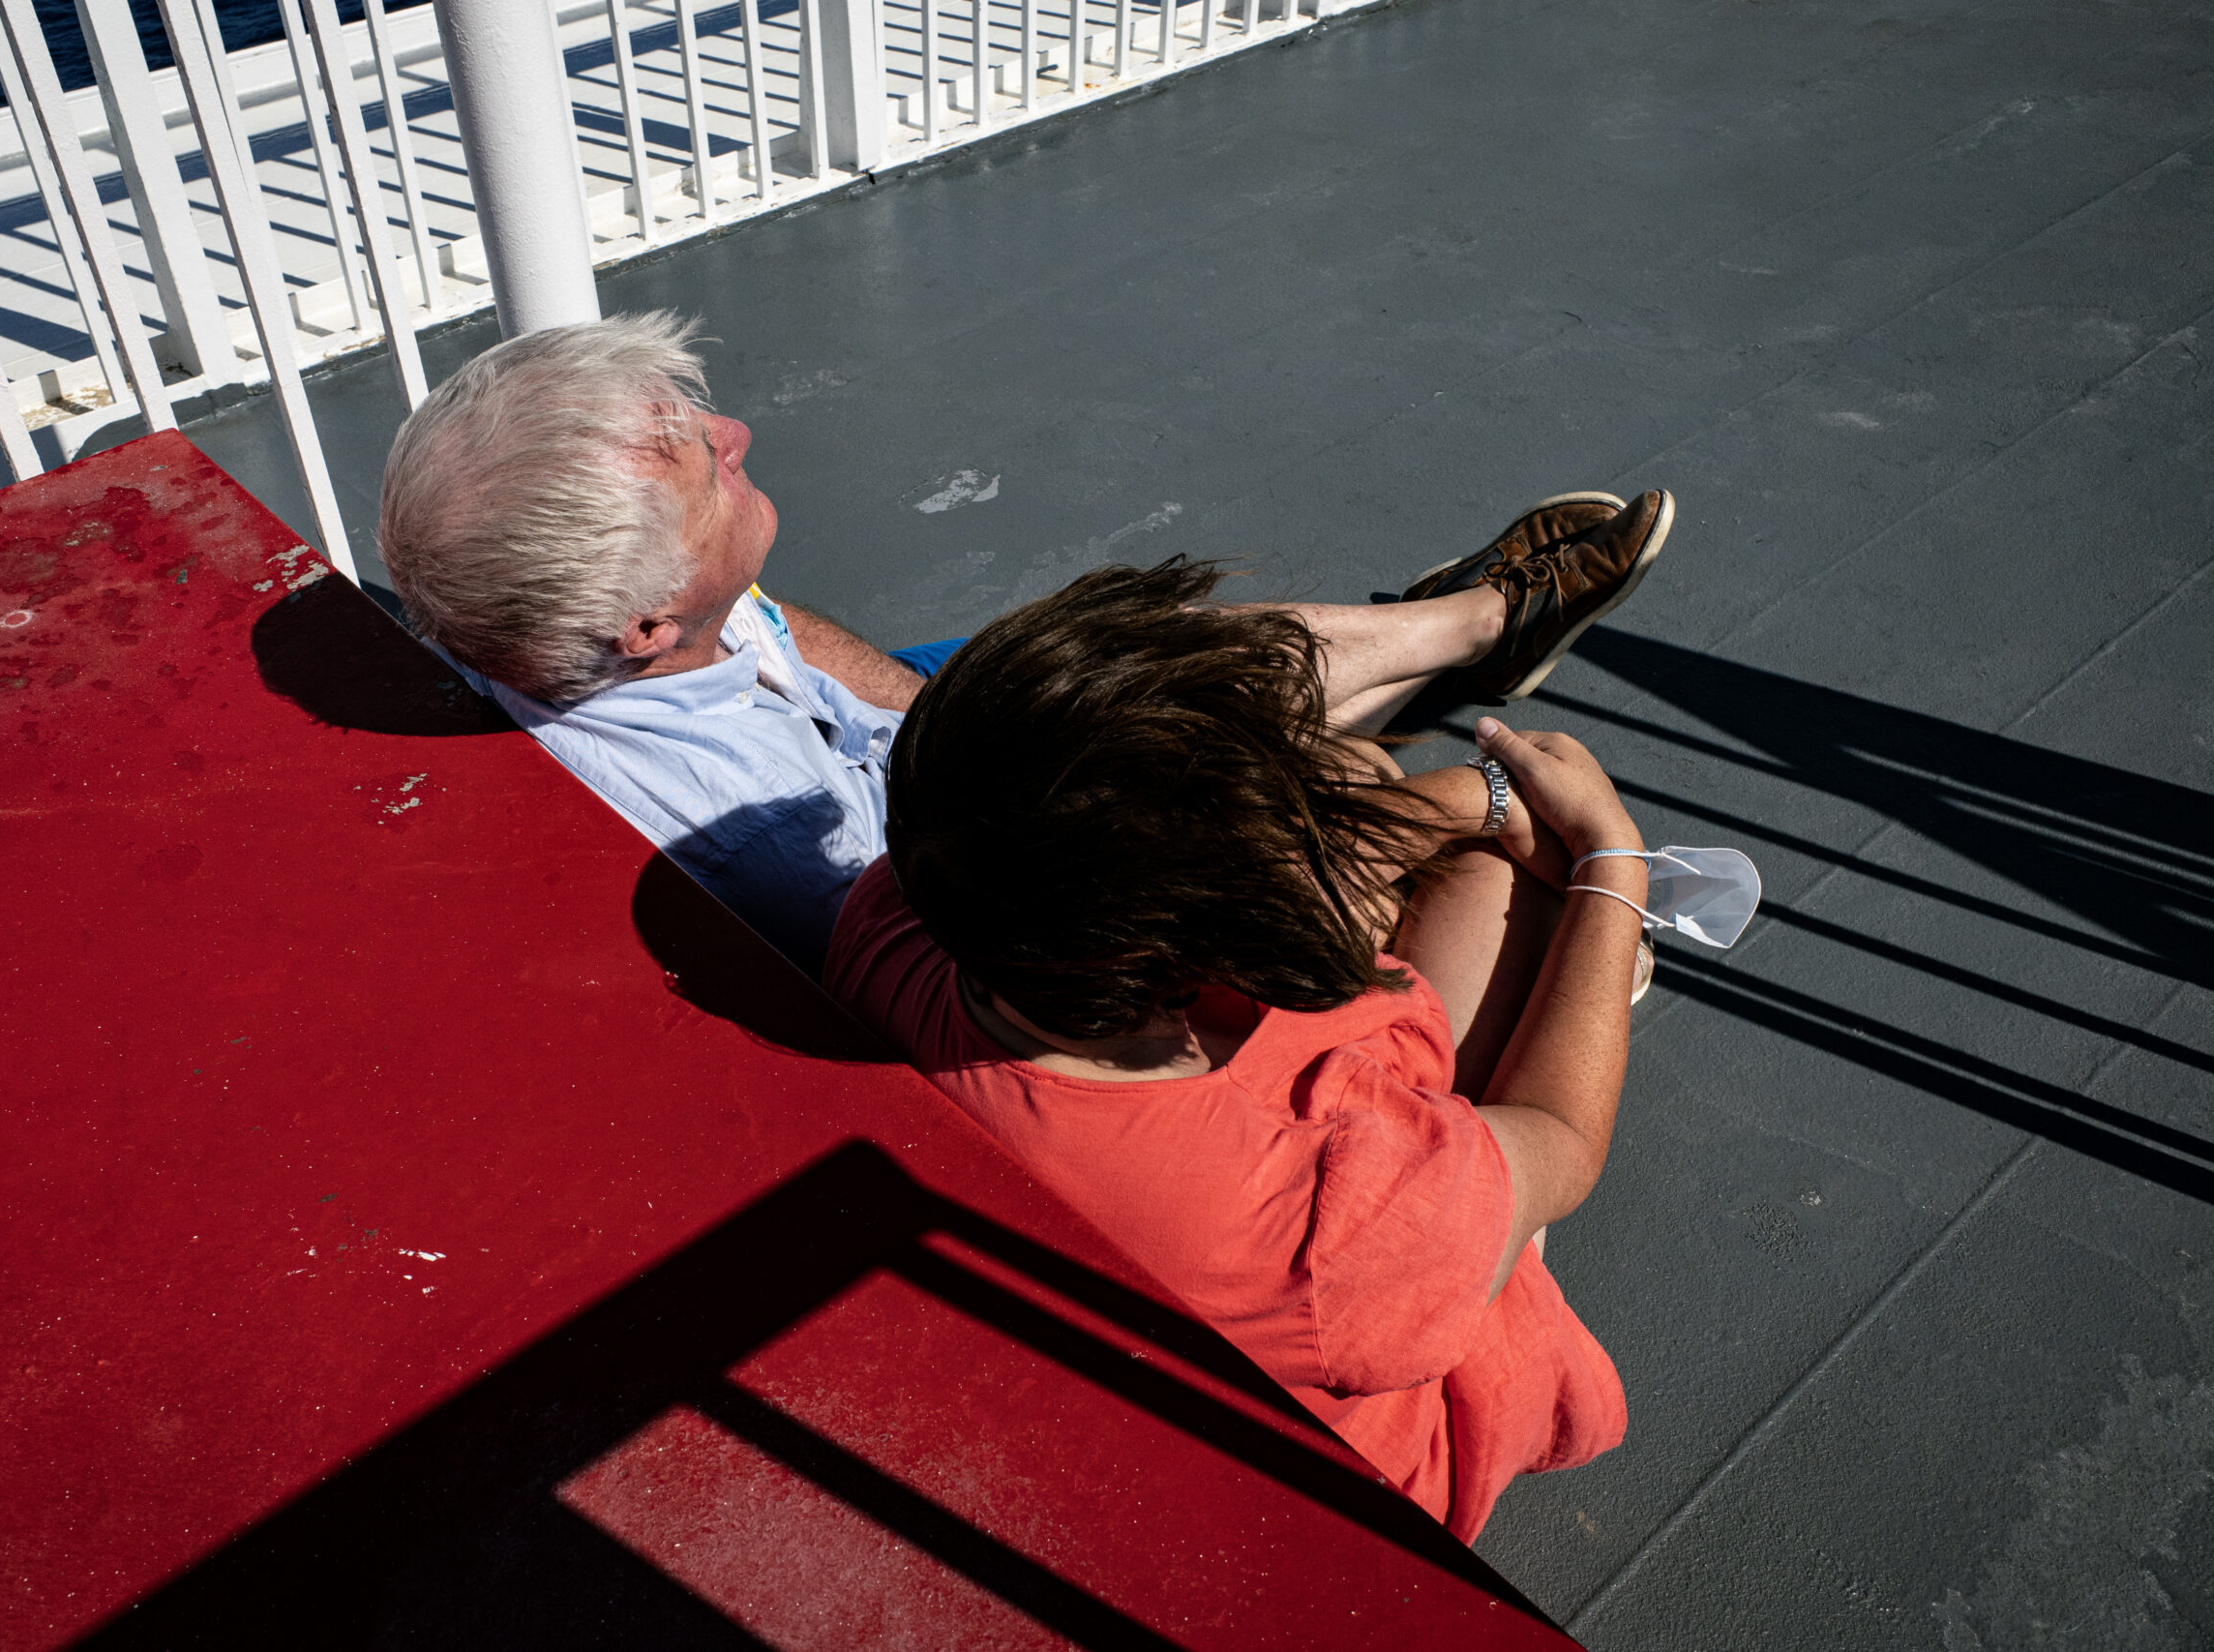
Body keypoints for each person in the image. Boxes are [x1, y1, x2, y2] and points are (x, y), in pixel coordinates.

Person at [377, 310, 1670, 974]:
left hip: (907, 749)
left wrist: (921, 701)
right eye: (703, 464)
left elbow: (769, 623)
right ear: (646, 622)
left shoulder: (563, 619)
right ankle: (1486, 632)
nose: (737, 437)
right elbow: (974, 939)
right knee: (1210, 708)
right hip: (972, 878)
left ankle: (1471, 623)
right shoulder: (763, 834)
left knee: (1160, 653)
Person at [823, 556, 1655, 1542]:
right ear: (1233, 944)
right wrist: (1613, 868)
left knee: (1377, 781)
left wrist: (1471, 798)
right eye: (1304, 833)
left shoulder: (916, 905)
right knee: (1521, 900)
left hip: (1187, 1219)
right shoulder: (1320, 1216)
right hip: (1368, 1379)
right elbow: (1561, 1139)